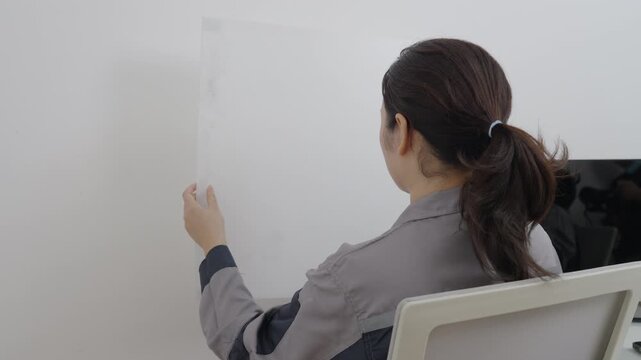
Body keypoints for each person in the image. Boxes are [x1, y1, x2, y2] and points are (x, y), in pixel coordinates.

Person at [182, 38, 565, 360]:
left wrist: (214, 247)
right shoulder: (536, 244)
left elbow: (249, 349)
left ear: (402, 131)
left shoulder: (353, 280)